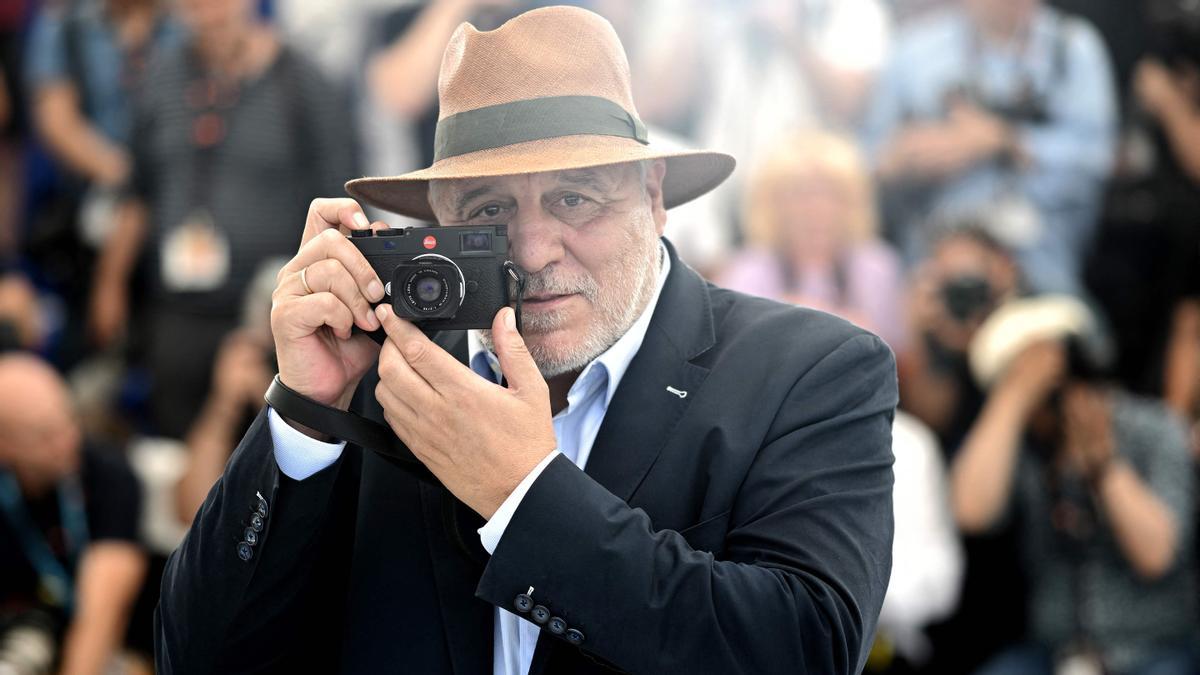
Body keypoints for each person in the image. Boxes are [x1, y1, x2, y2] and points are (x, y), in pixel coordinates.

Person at [155, 7, 898, 675]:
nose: (536, 249)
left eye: (574, 197)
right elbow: (199, 657)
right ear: (439, 222)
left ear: (653, 197)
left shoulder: (813, 371)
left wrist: (524, 493)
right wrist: (303, 415)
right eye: (491, 210)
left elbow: (807, 649)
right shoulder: (377, 382)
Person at [88, 0, 356, 438]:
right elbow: (137, 191)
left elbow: (339, 203)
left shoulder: (304, 83)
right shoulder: (161, 76)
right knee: (176, 451)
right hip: (176, 312)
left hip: (267, 315)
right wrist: (109, 283)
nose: (207, 9)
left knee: (267, 454)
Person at [952, 296, 1197, 675]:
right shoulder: (1024, 445)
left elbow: (1157, 556)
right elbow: (971, 511)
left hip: (1152, 649)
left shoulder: (1155, 429)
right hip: (1052, 652)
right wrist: (1014, 398)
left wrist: (1104, 466)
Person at [863, 0, 1117, 296]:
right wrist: (904, 159)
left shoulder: (1072, 47)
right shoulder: (914, 50)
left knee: (1056, 327)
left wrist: (1005, 141)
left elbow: (1097, 159)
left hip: (1037, 259)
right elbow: (868, 160)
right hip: (932, 256)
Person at [0, 354, 146, 675]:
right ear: (4, 445)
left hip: (102, 646)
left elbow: (104, 612)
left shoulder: (108, 474)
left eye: (67, 421)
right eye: (42, 436)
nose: (66, 443)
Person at [719, 129, 908, 350]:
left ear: (854, 202)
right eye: (800, 194)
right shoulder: (749, 269)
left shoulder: (877, 266)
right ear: (772, 204)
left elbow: (898, 357)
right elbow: (736, 349)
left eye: (832, 194)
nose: (816, 208)